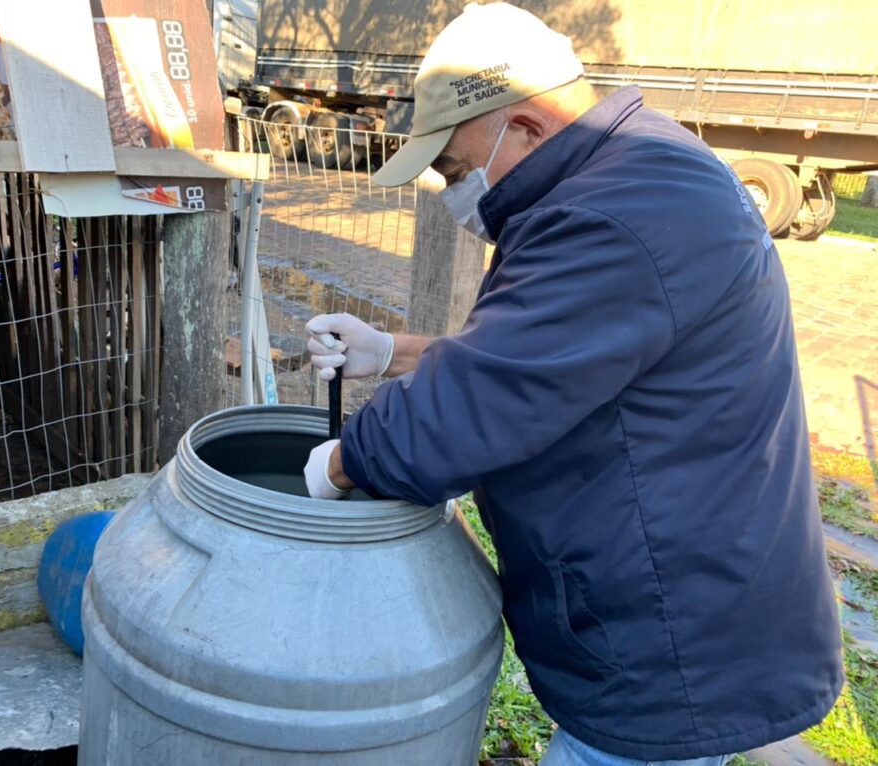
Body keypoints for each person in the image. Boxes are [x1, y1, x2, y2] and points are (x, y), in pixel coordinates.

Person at [301, 3, 843, 765]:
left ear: (523, 127)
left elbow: (465, 416)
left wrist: (332, 466)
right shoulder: (633, 173)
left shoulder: (614, 217)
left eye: (454, 167)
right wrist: (394, 351)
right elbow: (559, 361)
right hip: (679, 605)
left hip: (670, 647)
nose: (452, 189)